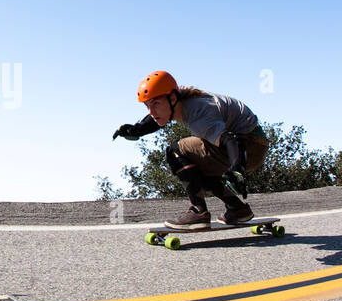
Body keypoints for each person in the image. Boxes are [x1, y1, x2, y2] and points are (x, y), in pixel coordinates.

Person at [112, 70, 270, 230]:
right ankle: (238, 209)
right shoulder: (183, 102)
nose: (151, 112)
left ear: (172, 98)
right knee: (195, 167)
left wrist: (237, 169)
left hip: (246, 147)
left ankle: (198, 212)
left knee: (175, 151)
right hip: (252, 145)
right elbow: (158, 118)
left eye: (155, 104)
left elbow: (231, 140)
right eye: (147, 106)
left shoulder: (198, 114)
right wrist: (136, 129)